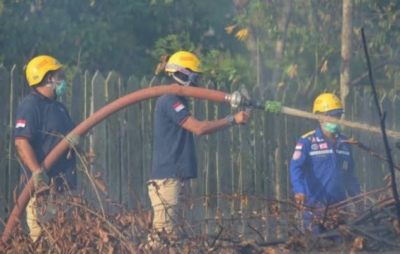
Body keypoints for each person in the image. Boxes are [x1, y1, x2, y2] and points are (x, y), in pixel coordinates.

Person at [147, 51, 250, 248]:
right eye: (196, 78)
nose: (198, 84)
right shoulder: (170, 100)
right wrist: (232, 119)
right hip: (167, 180)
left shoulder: (178, 100)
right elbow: (199, 128)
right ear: (184, 75)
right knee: (160, 239)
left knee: (174, 239)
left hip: (175, 179)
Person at [13, 55, 81, 242]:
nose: (64, 79)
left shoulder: (58, 107)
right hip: (42, 193)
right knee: (45, 242)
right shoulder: (30, 106)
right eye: (60, 75)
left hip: (63, 190)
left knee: (67, 242)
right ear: (50, 78)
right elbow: (21, 141)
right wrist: (37, 173)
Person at [289, 93, 361, 233]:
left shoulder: (345, 143)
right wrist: (299, 190)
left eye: (338, 115)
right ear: (319, 117)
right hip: (315, 209)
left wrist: (357, 196)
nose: (336, 119)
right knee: (316, 246)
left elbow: (350, 175)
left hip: (340, 209)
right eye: (331, 115)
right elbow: (296, 168)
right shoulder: (307, 141)